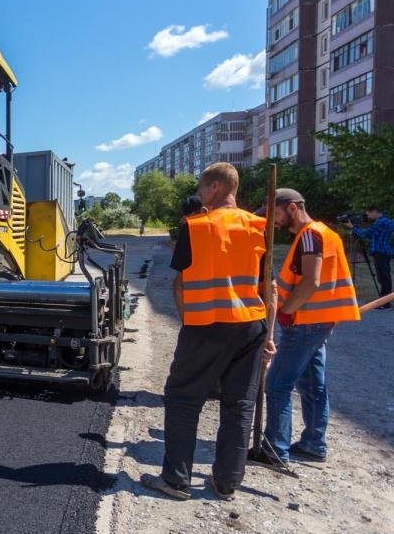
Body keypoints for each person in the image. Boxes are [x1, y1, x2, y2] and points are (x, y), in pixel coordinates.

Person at [142, 163, 268, 502]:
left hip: (207, 324)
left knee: (183, 398)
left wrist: (188, 321)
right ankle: (227, 483)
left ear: (215, 187)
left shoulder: (197, 227)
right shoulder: (257, 225)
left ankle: (176, 480)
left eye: (201, 186)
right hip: (251, 325)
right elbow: (262, 282)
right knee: (239, 405)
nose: (198, 193)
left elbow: (180, 285)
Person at [251, 189, 360, 468]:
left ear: (291, 208)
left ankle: (276, 450)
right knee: (313, 385)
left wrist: (287, 310)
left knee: (276, 385)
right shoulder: (325, 233)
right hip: (319, 322)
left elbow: (311, 282)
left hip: (305, 324)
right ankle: (313, 443)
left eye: (274, 213)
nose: (273, 221)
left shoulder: (311, 235)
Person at [352, 205, 392, 307]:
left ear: (375, 211)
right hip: (385, 251)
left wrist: (354, 227)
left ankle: (385, 302)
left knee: (383, 277)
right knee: (384, 276)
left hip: (380, 251)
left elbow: (365, 234)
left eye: (368, 213)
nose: (368, 216)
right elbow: (372, 235)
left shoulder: (380, 222)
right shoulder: (387, 221)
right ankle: (385, 300)